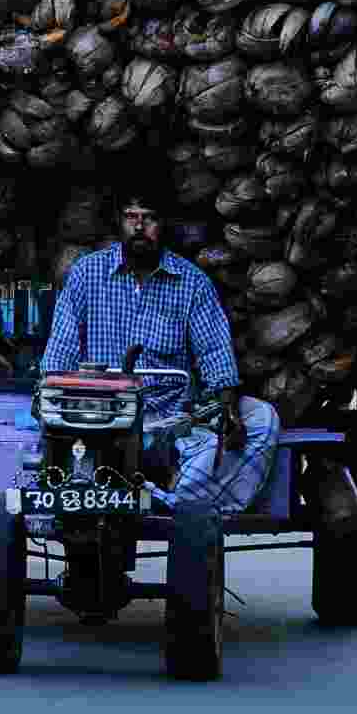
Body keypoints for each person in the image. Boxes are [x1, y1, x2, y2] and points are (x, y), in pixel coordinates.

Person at [41, 180, 281, 513]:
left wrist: (228, 406)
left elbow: (214, 352)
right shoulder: (86, 273)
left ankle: (177, 501)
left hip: (169, 420)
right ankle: (179, 501)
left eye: (149, 218)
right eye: (130, 216)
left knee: (262, 417)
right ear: (119, 222)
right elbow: (61, 346)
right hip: (102, 416)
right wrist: (52, 398)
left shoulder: (192, 281)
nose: (139, 227)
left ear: (163, 225)